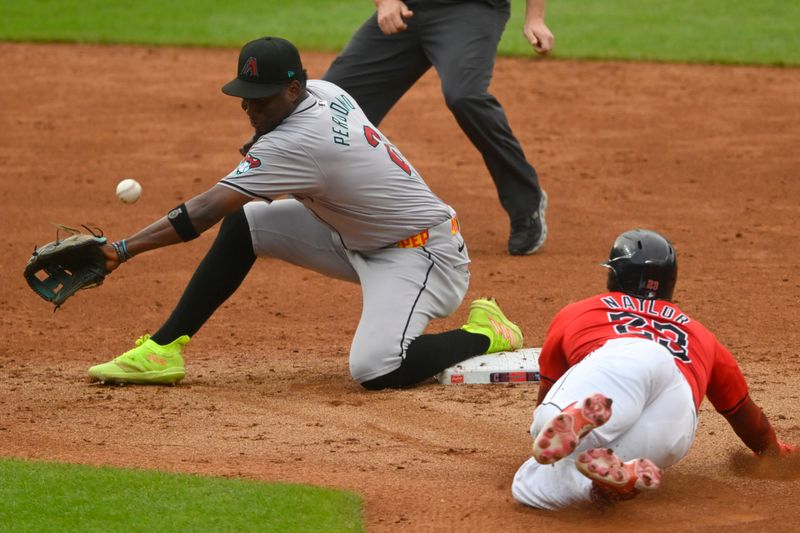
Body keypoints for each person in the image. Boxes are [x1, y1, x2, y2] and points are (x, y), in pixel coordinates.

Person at [87, 36, 524, 390]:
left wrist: (121, 250)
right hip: (355, 236)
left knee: (378, 368)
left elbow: (203, 212)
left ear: (294, 90)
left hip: (422, 255)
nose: (249, 107)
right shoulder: (325, 91)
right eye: (245, 96)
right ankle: (162, 349)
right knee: (248, 223)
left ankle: (486, 332)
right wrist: (264, 146)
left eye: (261, 98)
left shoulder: (294, 144)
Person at [511, 229, 796, 509]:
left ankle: (573, 426)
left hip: (626, 360)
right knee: (526, 485)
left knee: (547, 429)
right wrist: (774, 455)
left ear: (616, 275)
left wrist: (542, 429)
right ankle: (602, 485)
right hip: (676, 418)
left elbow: (550, 385)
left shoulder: (581, 311)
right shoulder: (700, 334)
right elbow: (745, 414)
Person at [242, 1, 554, 255]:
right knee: (330, 97)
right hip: (406, 8)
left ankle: (526, 203)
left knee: (465, 95)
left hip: (471, 10)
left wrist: (535, 18)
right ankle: (278, 183)